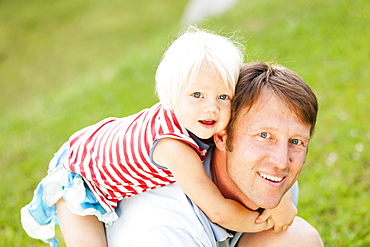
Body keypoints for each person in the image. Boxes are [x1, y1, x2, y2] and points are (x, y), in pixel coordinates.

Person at [21, 28, 297, 247]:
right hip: (79, 174)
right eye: (197, 95)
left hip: (98, 145)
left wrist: (279, 197)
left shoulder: (202, 119)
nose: (211, 107)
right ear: (172, 95)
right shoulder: (174, 148)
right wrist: (269, 219)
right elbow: (218, 211)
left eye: (223, 96)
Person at [105, 62, 324, 247]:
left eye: (296, 141)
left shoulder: (270, 183)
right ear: (221, 137)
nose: (281, 162)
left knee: (298, 240)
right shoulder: (165, 233)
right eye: (264, 135)